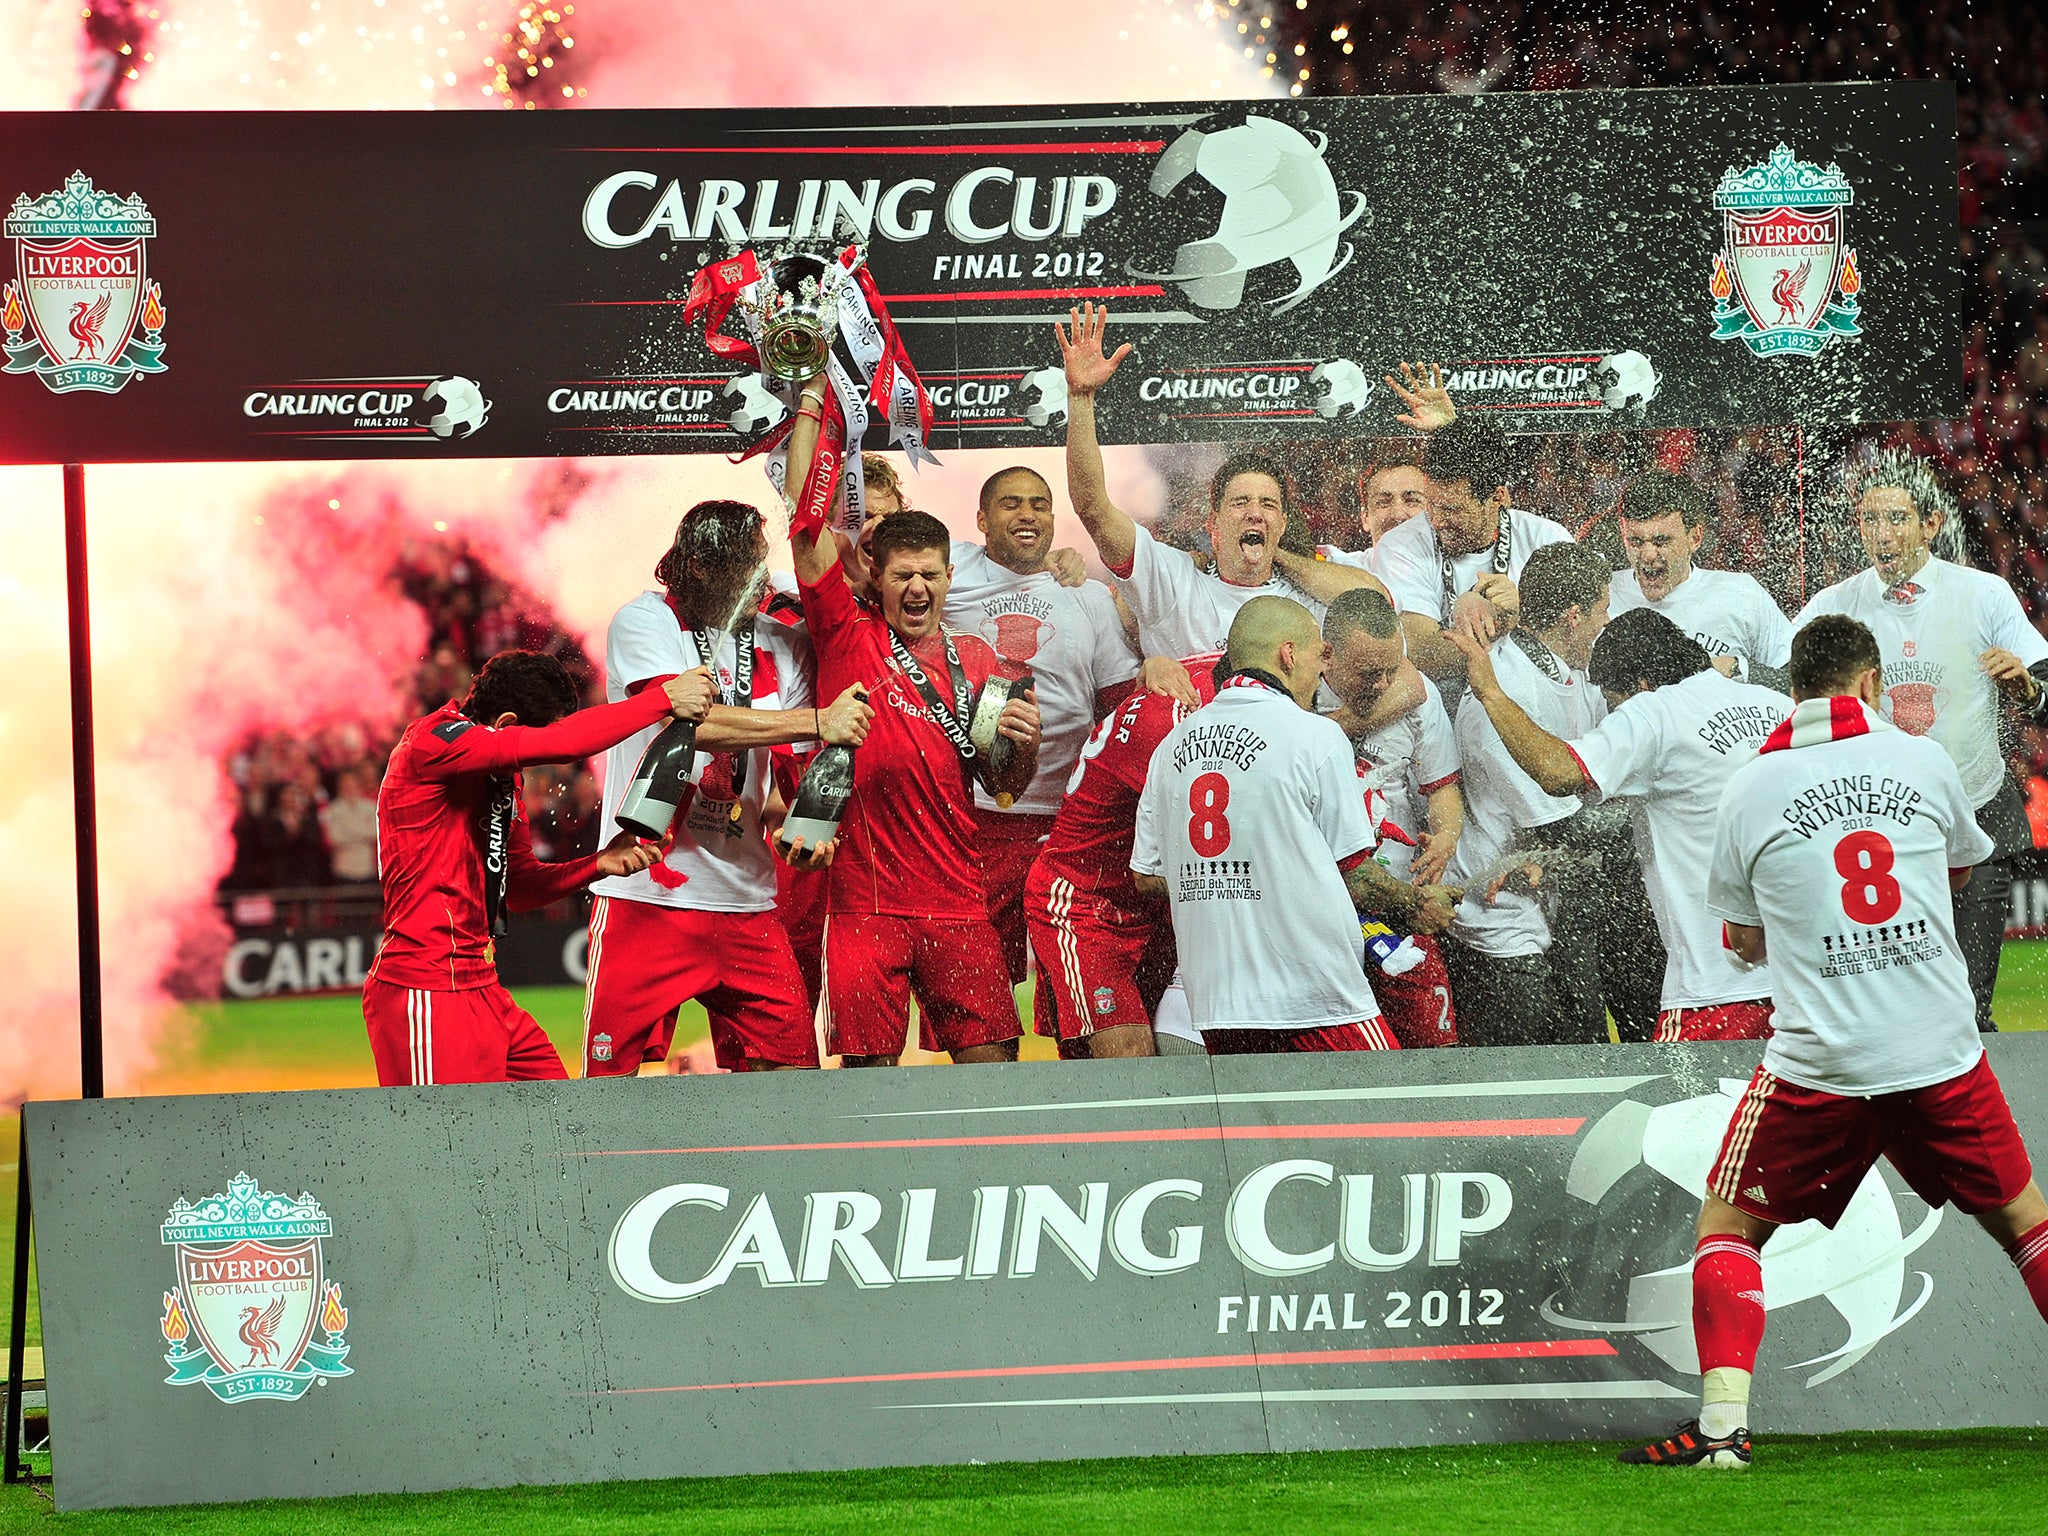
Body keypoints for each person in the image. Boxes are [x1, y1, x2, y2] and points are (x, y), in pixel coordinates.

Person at [1626, 614, 2048, 1468]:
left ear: (1792, 689)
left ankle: (1720, 1435)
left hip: (1821, 1062)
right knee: (2026, 1225)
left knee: (1730, 1226)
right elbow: (1957, 869)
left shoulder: (1751, 785)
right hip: (1938, 1052)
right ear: (1870, 684)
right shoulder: (1923, 761)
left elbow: (1741, 942)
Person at [785, 373, 1044, 1066]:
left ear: (949, 575)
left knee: (993, 1069)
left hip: (961, 900)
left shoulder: (980, 658)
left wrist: (1025, 747)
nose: (918, 588)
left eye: (930, 574)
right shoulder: (846, 630)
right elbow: (803, 524)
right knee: (870, 1079)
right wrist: (812, 398)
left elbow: (1004, 783)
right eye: (902, 576)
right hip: (865, 905)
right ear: (876, 574)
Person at [579, 500, 875, 1078]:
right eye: (747, 566)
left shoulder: (779, 642)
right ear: (699, 569)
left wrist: (810, 827)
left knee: (793, 1078)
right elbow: (689, 722)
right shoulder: (645, 622)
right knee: (607, 1089)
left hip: (746, 902)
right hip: (646, 897)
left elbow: (794, 768)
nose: (760, 579)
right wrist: (819, 718)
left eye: (760, 562)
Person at [363, 650, 712, 1086]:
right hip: (425, 987)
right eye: (535, 745)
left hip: (481, 983)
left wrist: (597, 864)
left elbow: (520, 888)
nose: (537, 763)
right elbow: (567, 742)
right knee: (443, 1148)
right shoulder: (433, 740)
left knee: (557, 1121)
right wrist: (661, 699)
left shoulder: (500, 775)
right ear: (508, 725)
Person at [1792, 448, 2048, 1030]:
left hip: (1975, 823)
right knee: (1886, 1007)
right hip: (1876, 833)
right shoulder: (1833, 605)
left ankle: (1972, 1117)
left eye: (1897, 518)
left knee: (1967, 1006)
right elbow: (1786, 683)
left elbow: (2046, 683)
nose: (1881, 534)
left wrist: (2029, 689)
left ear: (1931, 524)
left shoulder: (1983, 594)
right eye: (1869, 520)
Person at [1131, 597, 1457, 1054]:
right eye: (1316, 656)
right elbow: (1357, 879)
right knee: (1384, 1116)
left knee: (1269, 1127)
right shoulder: (1315, 737)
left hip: (1219, 1008)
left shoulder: (1170, 748)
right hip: (1313, 998)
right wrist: (1418, 902)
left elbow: (1147, 876)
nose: (1319, 672)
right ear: (1288, 654)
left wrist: (1242, 886)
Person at [1451, 606, 1792, 1042]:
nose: (1612, 718)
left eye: (1612, 704)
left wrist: (1491, 693)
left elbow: (1556, 771)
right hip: (1803, 983)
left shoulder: (1655, 712)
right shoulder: (1777, 705)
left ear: (1641, 686)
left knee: (1675, 1105)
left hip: (1719, 988)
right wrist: (1550, 858)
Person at [1055, 302, 1392, 663]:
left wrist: (1277, 557)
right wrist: (1081, 399)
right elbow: (1093, 508)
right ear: (1212, 522)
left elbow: (1377, 602)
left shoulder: (1307, 591)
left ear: (1283, 522)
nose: (1254, 513)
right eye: (1240, 502)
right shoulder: (1175, 584)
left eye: (1268, 505)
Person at [943, 464, 1145, 986]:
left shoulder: (1088, 596)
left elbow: (1117, 703)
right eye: (1011, 503)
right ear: (981, 520)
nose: (1028, 513)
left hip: (1066, 822)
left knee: (1073, 982)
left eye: (1039, 503)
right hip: (978, 815)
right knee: (983, 986)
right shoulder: (949, 571)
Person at [1442, 541, 1615, 1045]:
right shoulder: (1506, 690)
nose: (1607, 623)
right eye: (1603, 610)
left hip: (1549, 909)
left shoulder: (1569, 669)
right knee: (1524, 1092)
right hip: (1497, 925)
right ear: (1573, 616)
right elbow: (1565, 826)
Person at [1026, 654, 1222, 1059]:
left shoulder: (1204, 682)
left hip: (1146, 907)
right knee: (1131, 1060)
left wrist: (1154, 660)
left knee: (1118, 1066)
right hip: (1083, 903)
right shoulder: (1172, 727)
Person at [1322, 588, 1465, 1047]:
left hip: (1401, 904)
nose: (1384, 684)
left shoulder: (1419, 698)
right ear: (1327, 656)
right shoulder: (1295, 696)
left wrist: (1446, 836)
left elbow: (1443, 787)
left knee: (1433, 1049)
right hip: (1324, 915)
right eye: (1369, 673)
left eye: (1392, 669)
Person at [1373, 415, 1575, 690]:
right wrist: (1500, 623)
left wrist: (1519, 613)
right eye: (1431, 504)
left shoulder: (1548, 541)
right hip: (1442, 714)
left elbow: (1575, 644)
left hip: (1541, 701)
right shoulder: (1400, 545)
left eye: (1452, 510)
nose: (1437, 520)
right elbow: (1424, 655)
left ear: (1497, 498)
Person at [1609, 469, 1792, 690]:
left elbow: (1802, 683)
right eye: (1636, 541)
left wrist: (1739, 669)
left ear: (1694, 538)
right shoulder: (1603, 599)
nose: (1647, 555)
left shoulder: (1741, 594)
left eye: (1661, 541)